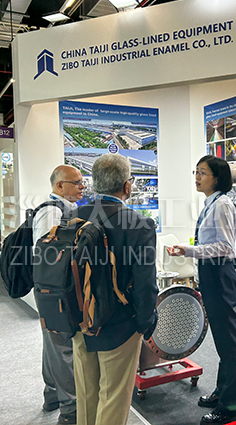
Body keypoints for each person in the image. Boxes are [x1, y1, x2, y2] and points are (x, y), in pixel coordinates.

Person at [68, 153, 158, 425]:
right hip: (120, 324)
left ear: (94, 183)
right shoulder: (140, 224)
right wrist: (144, 323)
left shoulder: (72, 217)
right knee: (114, 397)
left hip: (79, 319)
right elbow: (145, 283)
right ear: (127, 186)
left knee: (86, 394)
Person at [167, 155, 236, 425]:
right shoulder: (212, 202)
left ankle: (230, 406)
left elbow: (226, 247)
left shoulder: (222, 204)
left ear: (217, 177)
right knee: (222, 340)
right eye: (196, 172)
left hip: (220, 274)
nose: (197, 177)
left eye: (203, 172)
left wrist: (189, 250)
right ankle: (222, 391)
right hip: (211, 274)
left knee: (229, 343)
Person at [32, 165, 85, 425]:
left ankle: (52, 395)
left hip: (56, 289)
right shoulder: (52, 211)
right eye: (77, 182)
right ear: (60, 185)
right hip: (54, 291)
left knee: (53, 343)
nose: (82, 187)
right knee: (63, 348)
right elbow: (48, 254)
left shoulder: (65, 209)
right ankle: (70, 411)